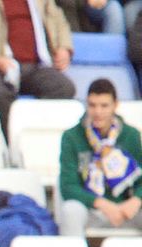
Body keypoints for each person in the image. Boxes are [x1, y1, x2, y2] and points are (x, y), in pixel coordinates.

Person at [0, 0, 75, 129]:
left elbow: (59, 21)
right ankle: (7, 143)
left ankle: (34, 135)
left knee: (63, 87)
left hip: (36, 66)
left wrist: (64, 47)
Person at [58, 79, 142, 236]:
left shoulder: (131, 135)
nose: (98, 112)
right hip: (91, 209)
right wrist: (102, 204)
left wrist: (137, 200)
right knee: (71, 210)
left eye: (104, 106)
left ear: (115, 105)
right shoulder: (71, 137)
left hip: (126, 209)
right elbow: (68, 186)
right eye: (92, 105)